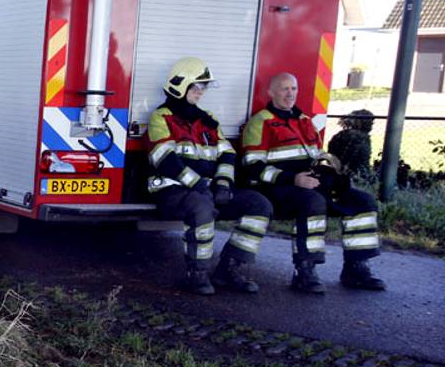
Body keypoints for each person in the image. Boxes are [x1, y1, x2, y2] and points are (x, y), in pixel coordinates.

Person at [242, 74, 385, 293]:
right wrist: (293, 179)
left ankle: (356, 268)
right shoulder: (260, 122)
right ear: (271, 92)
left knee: (362, 200)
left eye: (294, 88)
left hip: (312, 185)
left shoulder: (305, 121)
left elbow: (318, 155)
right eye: (284, 89)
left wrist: (332, 172)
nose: (290, 93)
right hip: (278, 189)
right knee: (313, 202)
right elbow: (252, 166)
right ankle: (305, 270)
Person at [146, 57, 273, 295]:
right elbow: (164, 159)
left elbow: (227, 154)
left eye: (203, 87)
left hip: (207, 188)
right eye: (196, 87)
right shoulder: (161, 117)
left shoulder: (209, 120)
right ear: (179, 86)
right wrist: (200, 184)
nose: (201, 92)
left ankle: (229, 269)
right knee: (201, 207)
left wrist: (223, 184)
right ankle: (198, 273)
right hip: (173, 190)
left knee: (259, 204)